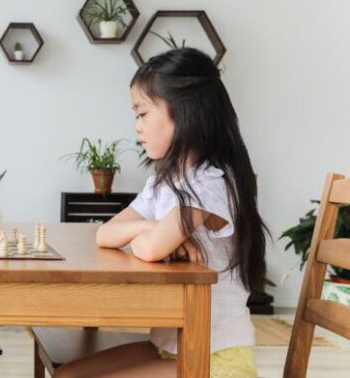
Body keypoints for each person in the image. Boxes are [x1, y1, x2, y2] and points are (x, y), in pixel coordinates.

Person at [54, 47, 268, 378]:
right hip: (172, 347)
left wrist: (151, 235)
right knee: (68, 374)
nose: (137, 126)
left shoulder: (211, 182)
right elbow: (105, 233)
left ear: (184, 113)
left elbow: (150, 249)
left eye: (142, 114)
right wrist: (151, 226)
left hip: (218, 360)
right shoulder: (165, 181)